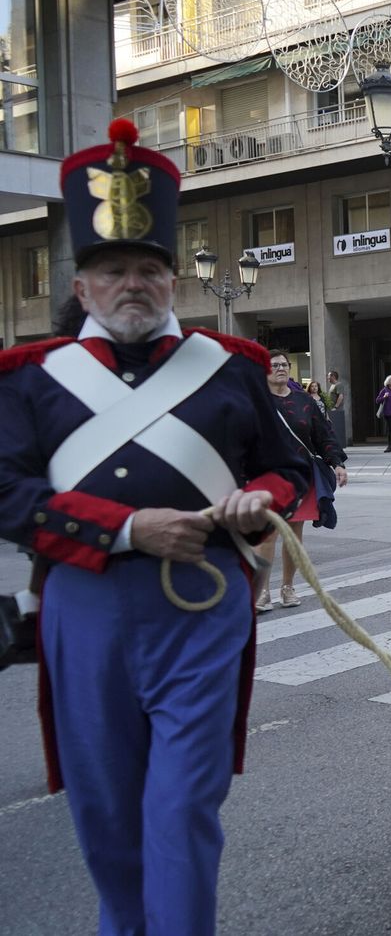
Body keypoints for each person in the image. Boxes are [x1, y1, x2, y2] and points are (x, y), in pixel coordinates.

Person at [0, 120, 309, 934]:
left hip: (202, 610)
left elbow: (291, 472)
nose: (131, 284)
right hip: (86, 611)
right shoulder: (30, 380)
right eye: (113, 271)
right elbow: (6, 493)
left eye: (147, 269)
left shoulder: (232, 368)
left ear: (172, 280)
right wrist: (128, 528)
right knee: (106, 815)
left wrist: (259, 499)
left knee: (180, 808)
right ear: (83, 288)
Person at [255, 352, 347, 612]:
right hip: (267, 477)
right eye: (274, 365)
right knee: (267, 535)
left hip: (300, 477)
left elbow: (323, 435)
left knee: (293, 536)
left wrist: (337, 463)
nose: (281, 368)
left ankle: (287, 587)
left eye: (284, 364)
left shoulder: (304, 400)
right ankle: (262, 591)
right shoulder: (255, 402)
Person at [325, 369, 347, 447]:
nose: (327, 378)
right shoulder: (332, 386)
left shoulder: (339, 385)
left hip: (336, 410)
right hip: (331, 410)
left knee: (336, 427)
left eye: (328, 376)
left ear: (333, 376)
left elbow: (341, 396)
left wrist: (336, 407)